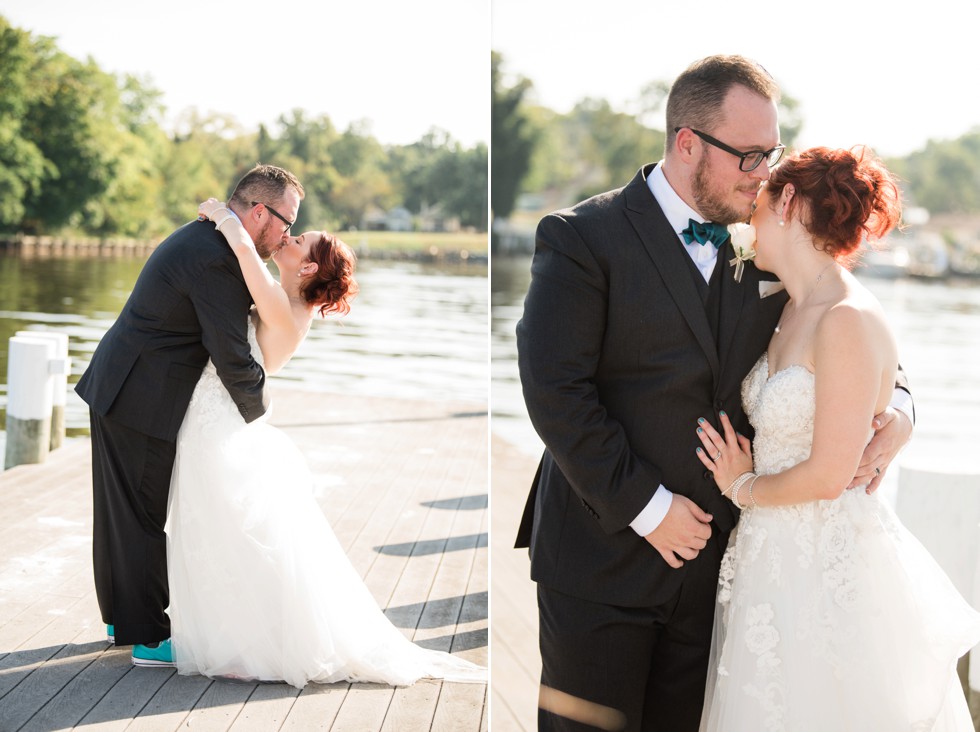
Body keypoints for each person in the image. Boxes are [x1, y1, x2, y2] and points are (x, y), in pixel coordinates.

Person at [514, 55, 914, 732]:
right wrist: (646, 507)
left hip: (723, 576)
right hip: (601, 559)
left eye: (772, 154)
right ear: (688, 143)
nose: (764, 175)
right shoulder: (582, 236)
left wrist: (900, 411)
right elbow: (555, 391)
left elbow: (854, 337)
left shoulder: (770, 248)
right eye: (750, 156)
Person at [694, 146, 980, 731]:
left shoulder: (847, 316)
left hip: (825, 567)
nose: (750, 214)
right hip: (769, 559)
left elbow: (829, 475)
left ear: (790, 203)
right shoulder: (786, 307)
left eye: (762, 197)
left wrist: (739, 485)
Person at [161, 198, 486, 688]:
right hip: (217, 421)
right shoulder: (287, 303)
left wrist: (228, 218)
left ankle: (244, 643)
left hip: (219, 428)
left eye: (297, 240)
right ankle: (234, 635)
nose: (287, 239)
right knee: (219, 532)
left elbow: (249, 262)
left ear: (308, 265)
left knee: (223, 532)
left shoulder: (286, 307)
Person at [75, 164, 304, 665]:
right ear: (259, 211)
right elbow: (229, 353)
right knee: (140, 518)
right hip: (140, 397)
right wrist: (259, 411)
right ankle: (150, 637)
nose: (287, 232)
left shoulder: (210, 240)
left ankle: (122, 617)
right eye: (286, 221)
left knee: (121, 514)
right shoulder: (216, 258)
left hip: (123, 385)